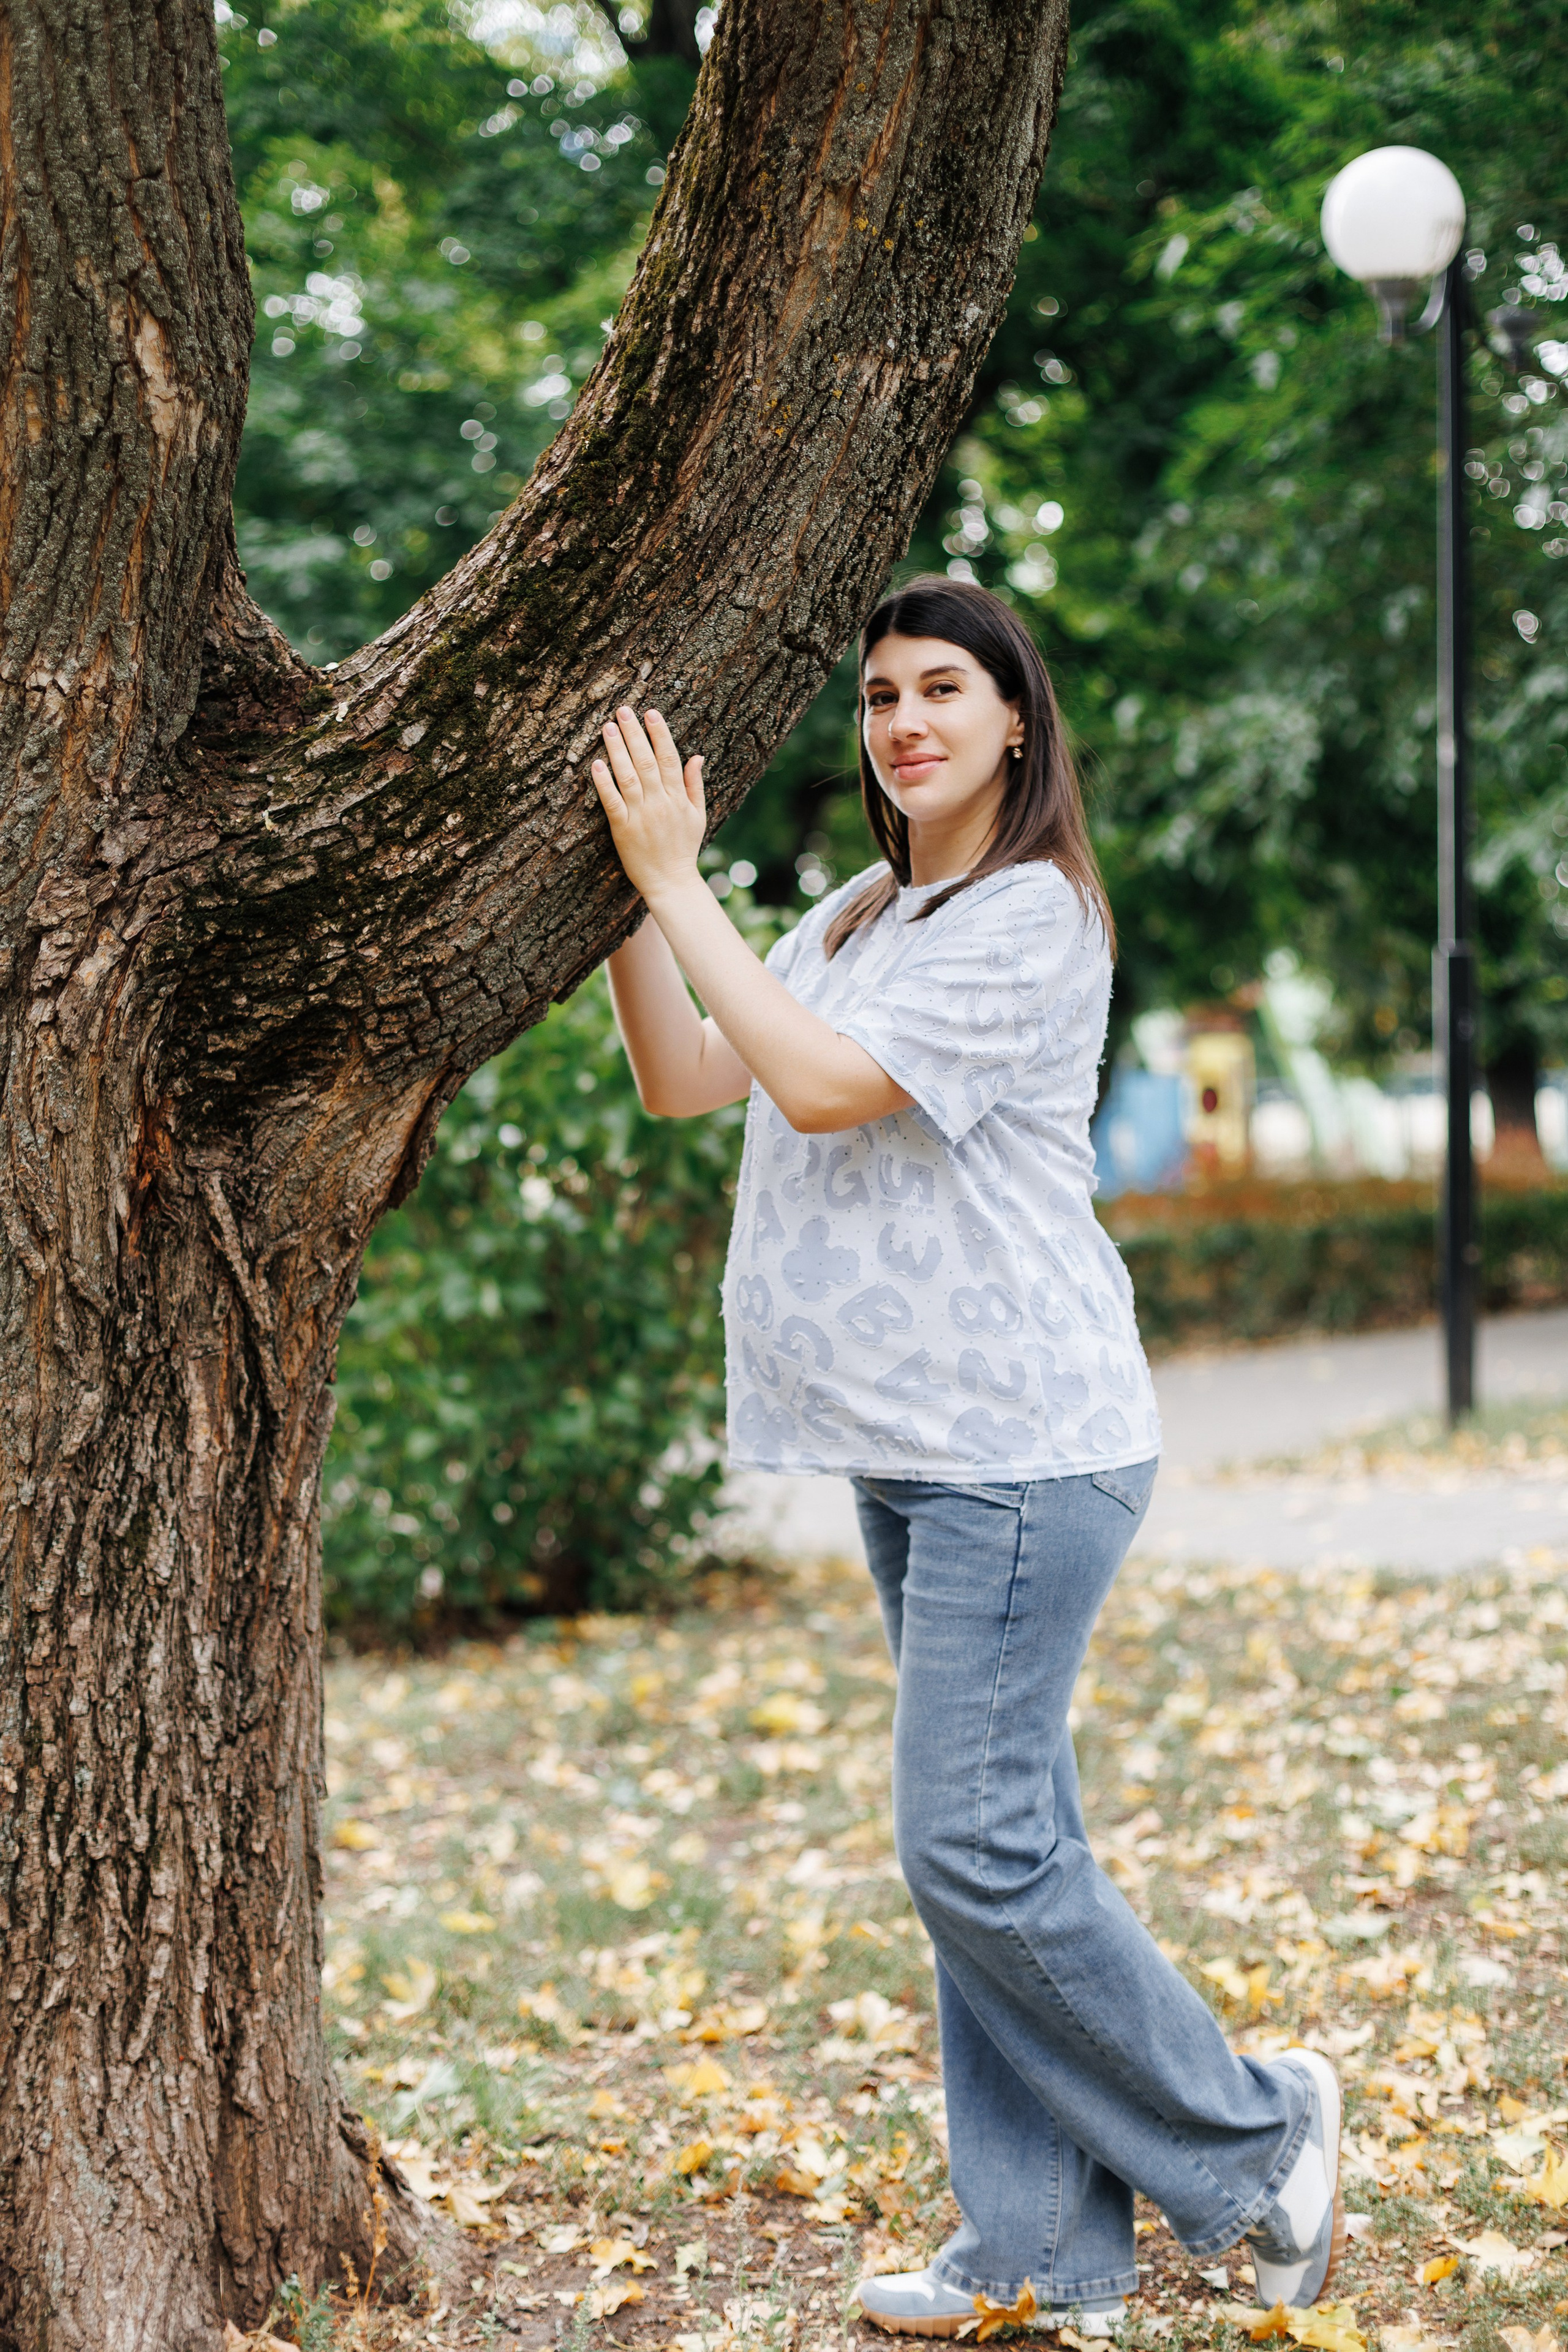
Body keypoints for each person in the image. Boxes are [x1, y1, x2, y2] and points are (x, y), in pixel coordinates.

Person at [592, 576, 1343, 2339]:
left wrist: (680, 881)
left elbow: (834, 1089)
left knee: (974, 1849)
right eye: (878, 697)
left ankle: (1259, 2135)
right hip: (907, 1446)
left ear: (1018, 721)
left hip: (1022, 1444)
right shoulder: (861, 911)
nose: (906, 721)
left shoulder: (1032, 917)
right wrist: (622, 901)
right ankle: (1037, 2248)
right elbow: (694, 1077)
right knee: (996, 1850)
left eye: (944, 689)